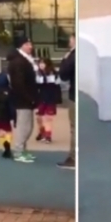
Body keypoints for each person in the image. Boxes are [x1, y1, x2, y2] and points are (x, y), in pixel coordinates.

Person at [8, 36, 39, 163]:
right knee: (24, 126)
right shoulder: (18, 62)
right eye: (27, 44)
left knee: (28, 126)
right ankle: (18, 151)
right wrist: (29, 97)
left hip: (26, 98)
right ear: (21, 46)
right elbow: (18, 83)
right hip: (22, 99)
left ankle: (22, 150)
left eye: (30, 44)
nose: (30, 46)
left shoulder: (25, 60)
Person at [57, 34, 75, 169]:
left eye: (70, 39)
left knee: (74, 128)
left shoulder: (73, 55)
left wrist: (65, 59)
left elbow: (63, 74)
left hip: (74, 95)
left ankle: (73, 158)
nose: (69, 42)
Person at [35, 58, 61, 144]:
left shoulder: (54, 74)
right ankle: (42, 132)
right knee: (39, 118)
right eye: (40, 63)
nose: (41, 65)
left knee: (48, 118)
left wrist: (57, 98)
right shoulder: (37, 74)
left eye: (43, 63)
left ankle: (48, 136)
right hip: (40, 98)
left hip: (50, 99)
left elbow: (57, 86)